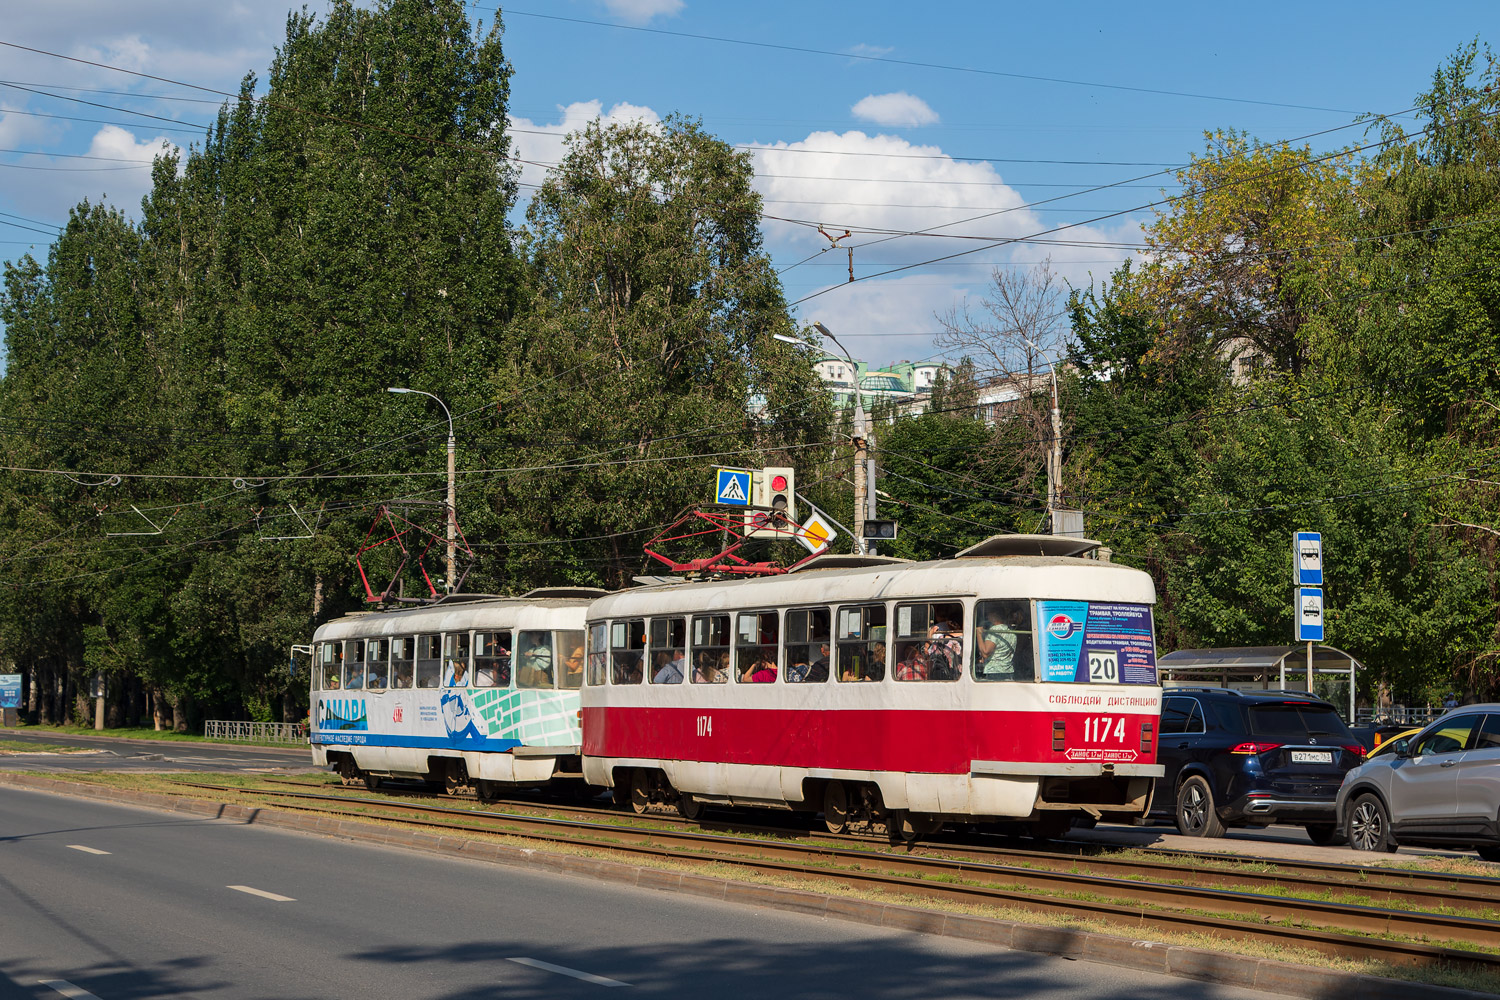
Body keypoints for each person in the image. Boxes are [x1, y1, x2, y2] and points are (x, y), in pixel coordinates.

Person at [976, 604, 1018, 680]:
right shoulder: (1011, 632)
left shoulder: (995, 630)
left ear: (994, 615)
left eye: (988, 614)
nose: (987, 617)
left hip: (994, 672)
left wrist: (978, 633)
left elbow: (985, 652)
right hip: (1008, 671)